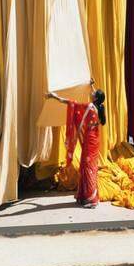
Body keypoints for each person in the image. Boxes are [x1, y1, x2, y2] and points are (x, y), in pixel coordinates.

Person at [45, 78, 106, 208]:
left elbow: (71, 103)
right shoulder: (100, 107)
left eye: (93, 94)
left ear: (95, 98)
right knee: (88, 165)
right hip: (95, 138)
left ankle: (92, 199)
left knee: (88, 166)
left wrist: (54, 96)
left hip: (90, 139)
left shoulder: (90, 106)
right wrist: (92, 86)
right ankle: (85, 195)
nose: (91, 93)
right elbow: (97, 98)